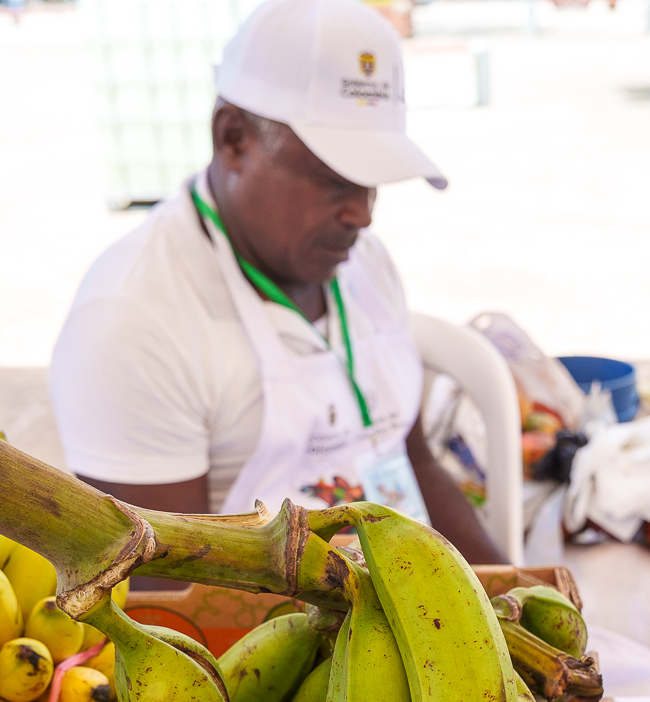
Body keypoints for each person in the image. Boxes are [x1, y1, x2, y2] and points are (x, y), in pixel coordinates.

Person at [48, 0, 502, 562]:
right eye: (334, 178)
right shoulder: (132, 323)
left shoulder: (366, 264)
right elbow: (162, 593)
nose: (363, 214)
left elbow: (412, 461)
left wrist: (513, 590)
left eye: (374, 181)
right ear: (233, 138)